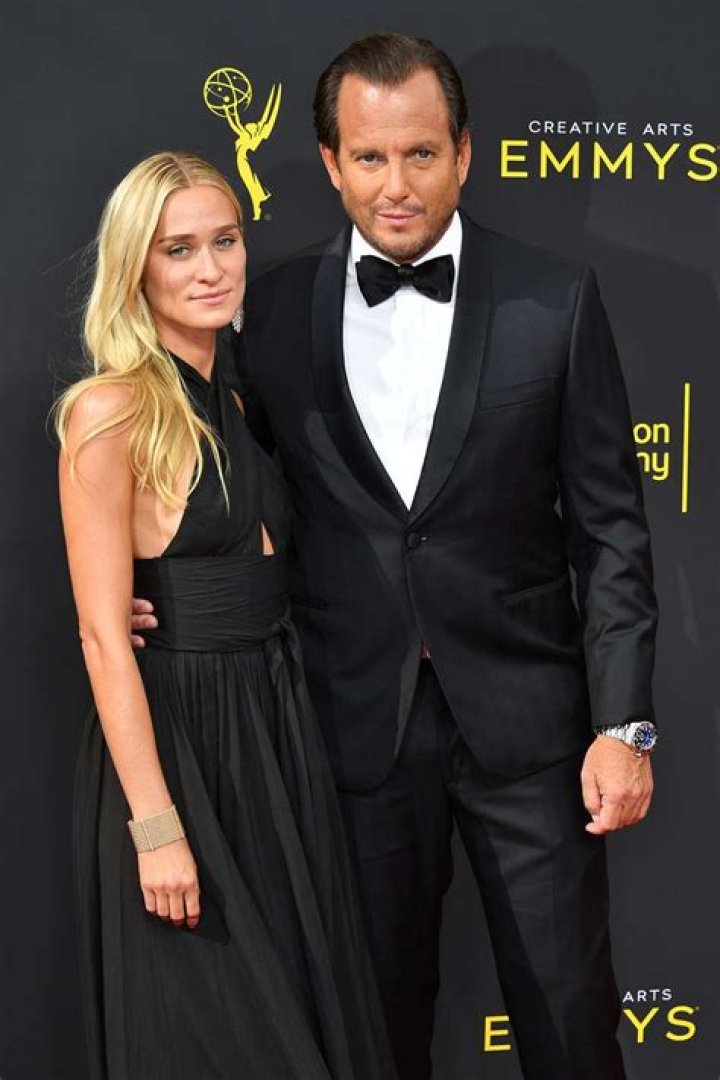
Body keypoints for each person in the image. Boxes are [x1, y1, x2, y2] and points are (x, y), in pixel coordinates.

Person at [129, 34, 658, 1080]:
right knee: (370, 1037)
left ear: (465, 152)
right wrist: (173, 597)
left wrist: (624, 723)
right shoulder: (269, 310)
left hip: (532, 734)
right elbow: (242, 496)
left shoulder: (556, 298)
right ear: (331, 163)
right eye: (369, 158)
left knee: (570, 1027)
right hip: (347, 730)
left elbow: (611, 531)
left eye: (420, 154)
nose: (396, 185)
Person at [56, 151, 395, 1080]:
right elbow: (102, 636)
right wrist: (156, 827)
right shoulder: (109, 412)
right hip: (180, 744)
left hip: (274, 733)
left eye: (226, 241)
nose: (211, 268)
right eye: (178, 250)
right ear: (136, 268)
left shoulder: (242, 400)